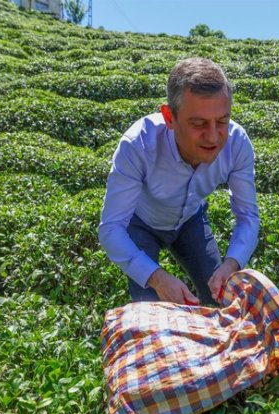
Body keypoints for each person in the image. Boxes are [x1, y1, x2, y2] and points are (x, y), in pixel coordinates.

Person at [99, 57, 260, 306]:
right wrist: (157, 278)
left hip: (190, 220)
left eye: (222, 122)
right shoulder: (138, 145)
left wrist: (232, 264)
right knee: (151, 311)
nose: (213, 136)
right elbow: (111, 229)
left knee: (219, 299)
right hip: (140, 224)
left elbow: (248, 216)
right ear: (169, 117)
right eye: (198, 124)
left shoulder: (237, 143)